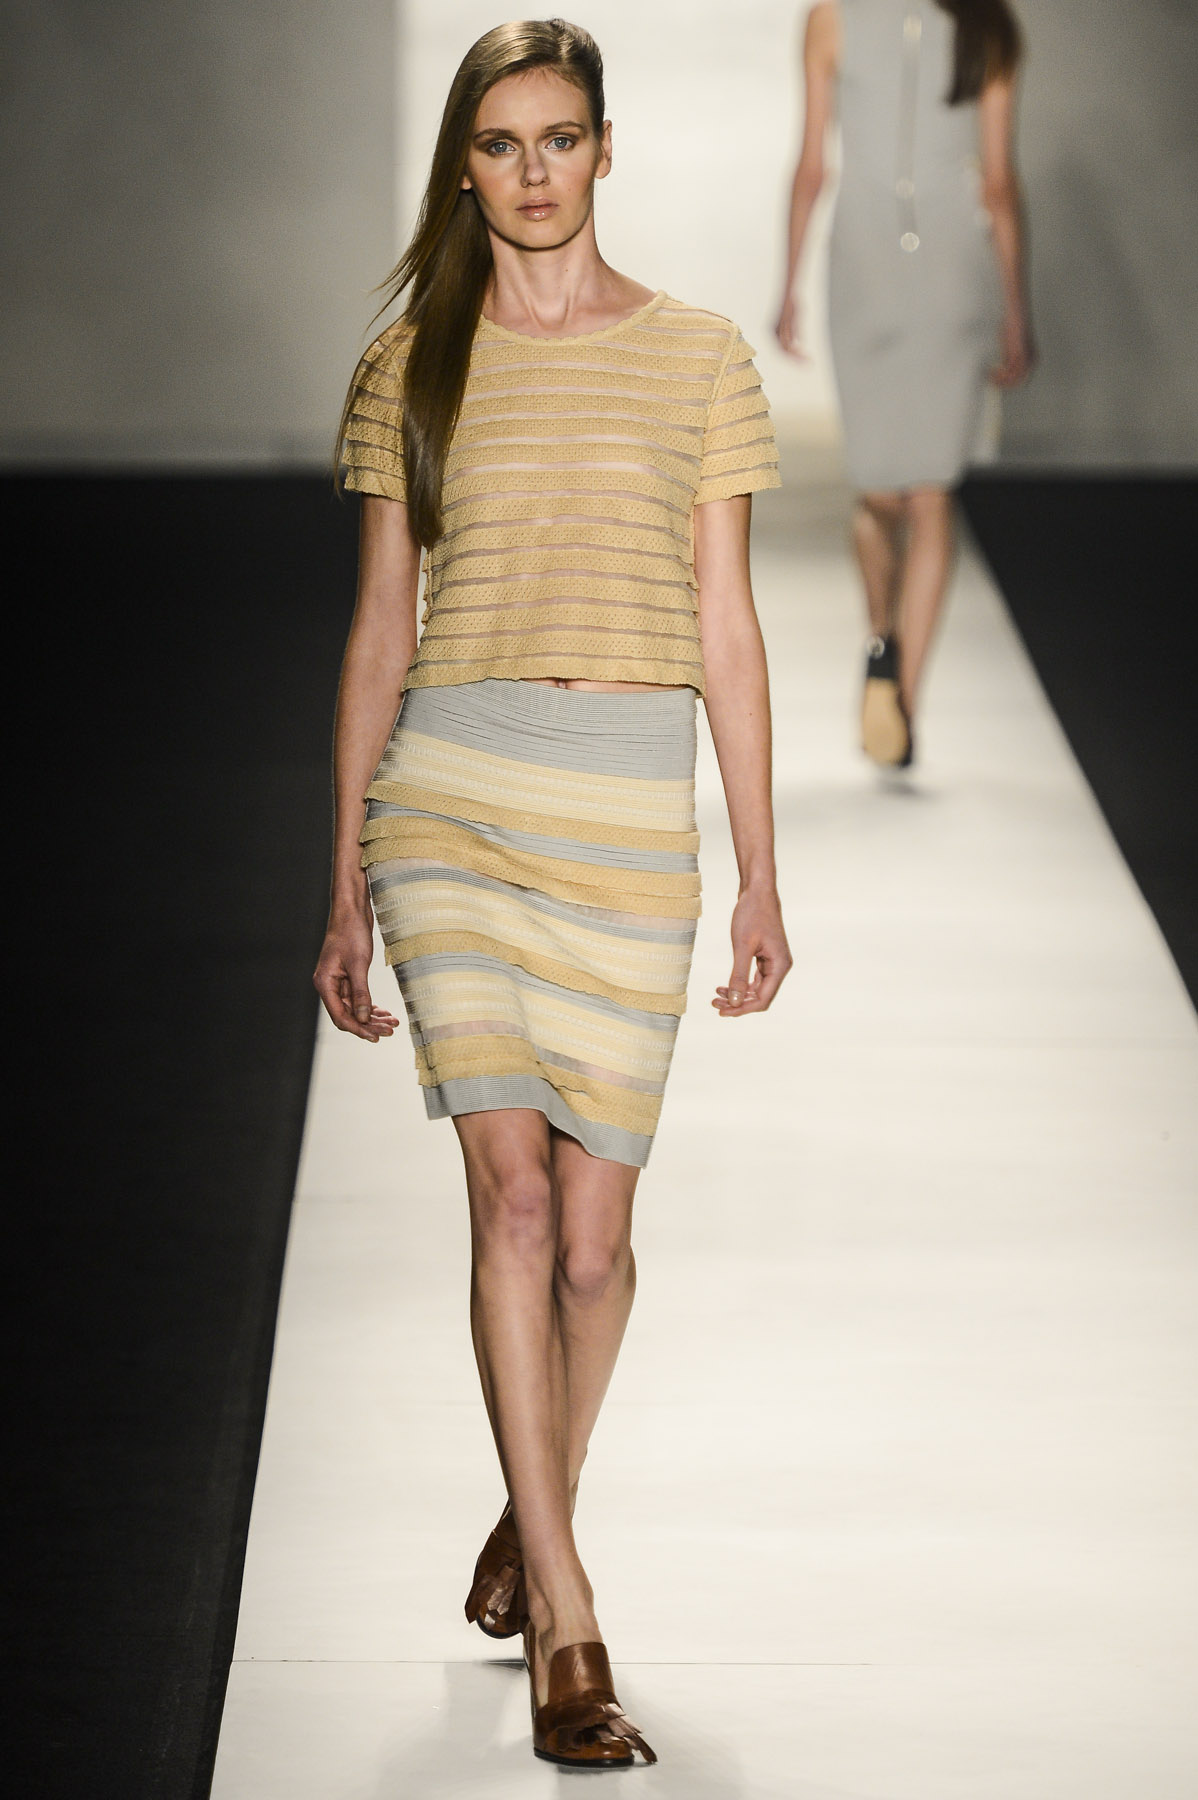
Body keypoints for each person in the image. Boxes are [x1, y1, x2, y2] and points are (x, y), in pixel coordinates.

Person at [314, 18, 791, 1769]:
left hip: (624, 822)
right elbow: (380, 629)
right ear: (463, 166)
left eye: (561, 138)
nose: (534, 171)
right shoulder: (409, 368)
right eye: (502, 142)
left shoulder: (699, 359)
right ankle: (569, 1629)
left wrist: (758, 867)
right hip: (450, 805)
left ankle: (533, 1512)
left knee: (595, 1246)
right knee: (512, 1203)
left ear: (604, 148)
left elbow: (726, 626)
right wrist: (344, 881)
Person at [776, 0, 1032, 766]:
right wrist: (1016, 311)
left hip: (865, 266)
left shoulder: (831, 18)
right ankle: (903, 702)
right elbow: (997, 185)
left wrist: (789, 287)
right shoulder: (990, 24)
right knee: (930, 496)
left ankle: (882, 641)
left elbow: (814, 167)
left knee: (878, 492)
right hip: (954, 271)